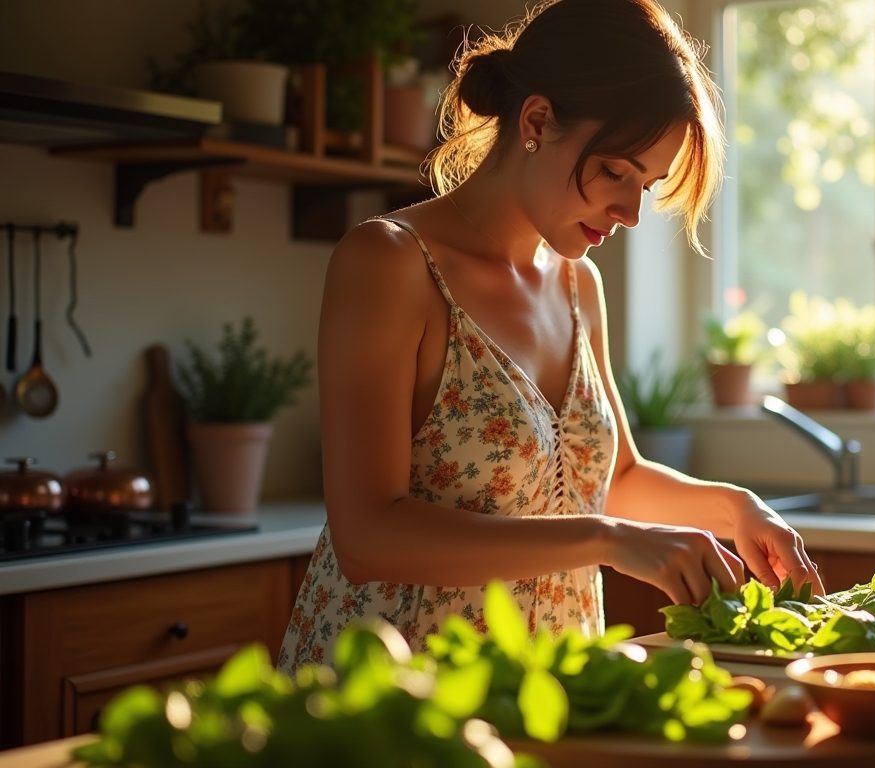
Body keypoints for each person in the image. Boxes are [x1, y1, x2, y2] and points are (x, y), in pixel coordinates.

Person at [279, 0, 824, 673]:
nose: (629, 212)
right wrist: (607, 540)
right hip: (402, 695)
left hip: (547, 690)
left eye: (646, 185)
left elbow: (612, 477)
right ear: (536, 121)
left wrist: (734, 509)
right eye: (616, 172)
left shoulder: (577, 285)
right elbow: (368, 535)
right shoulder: (389, 262)